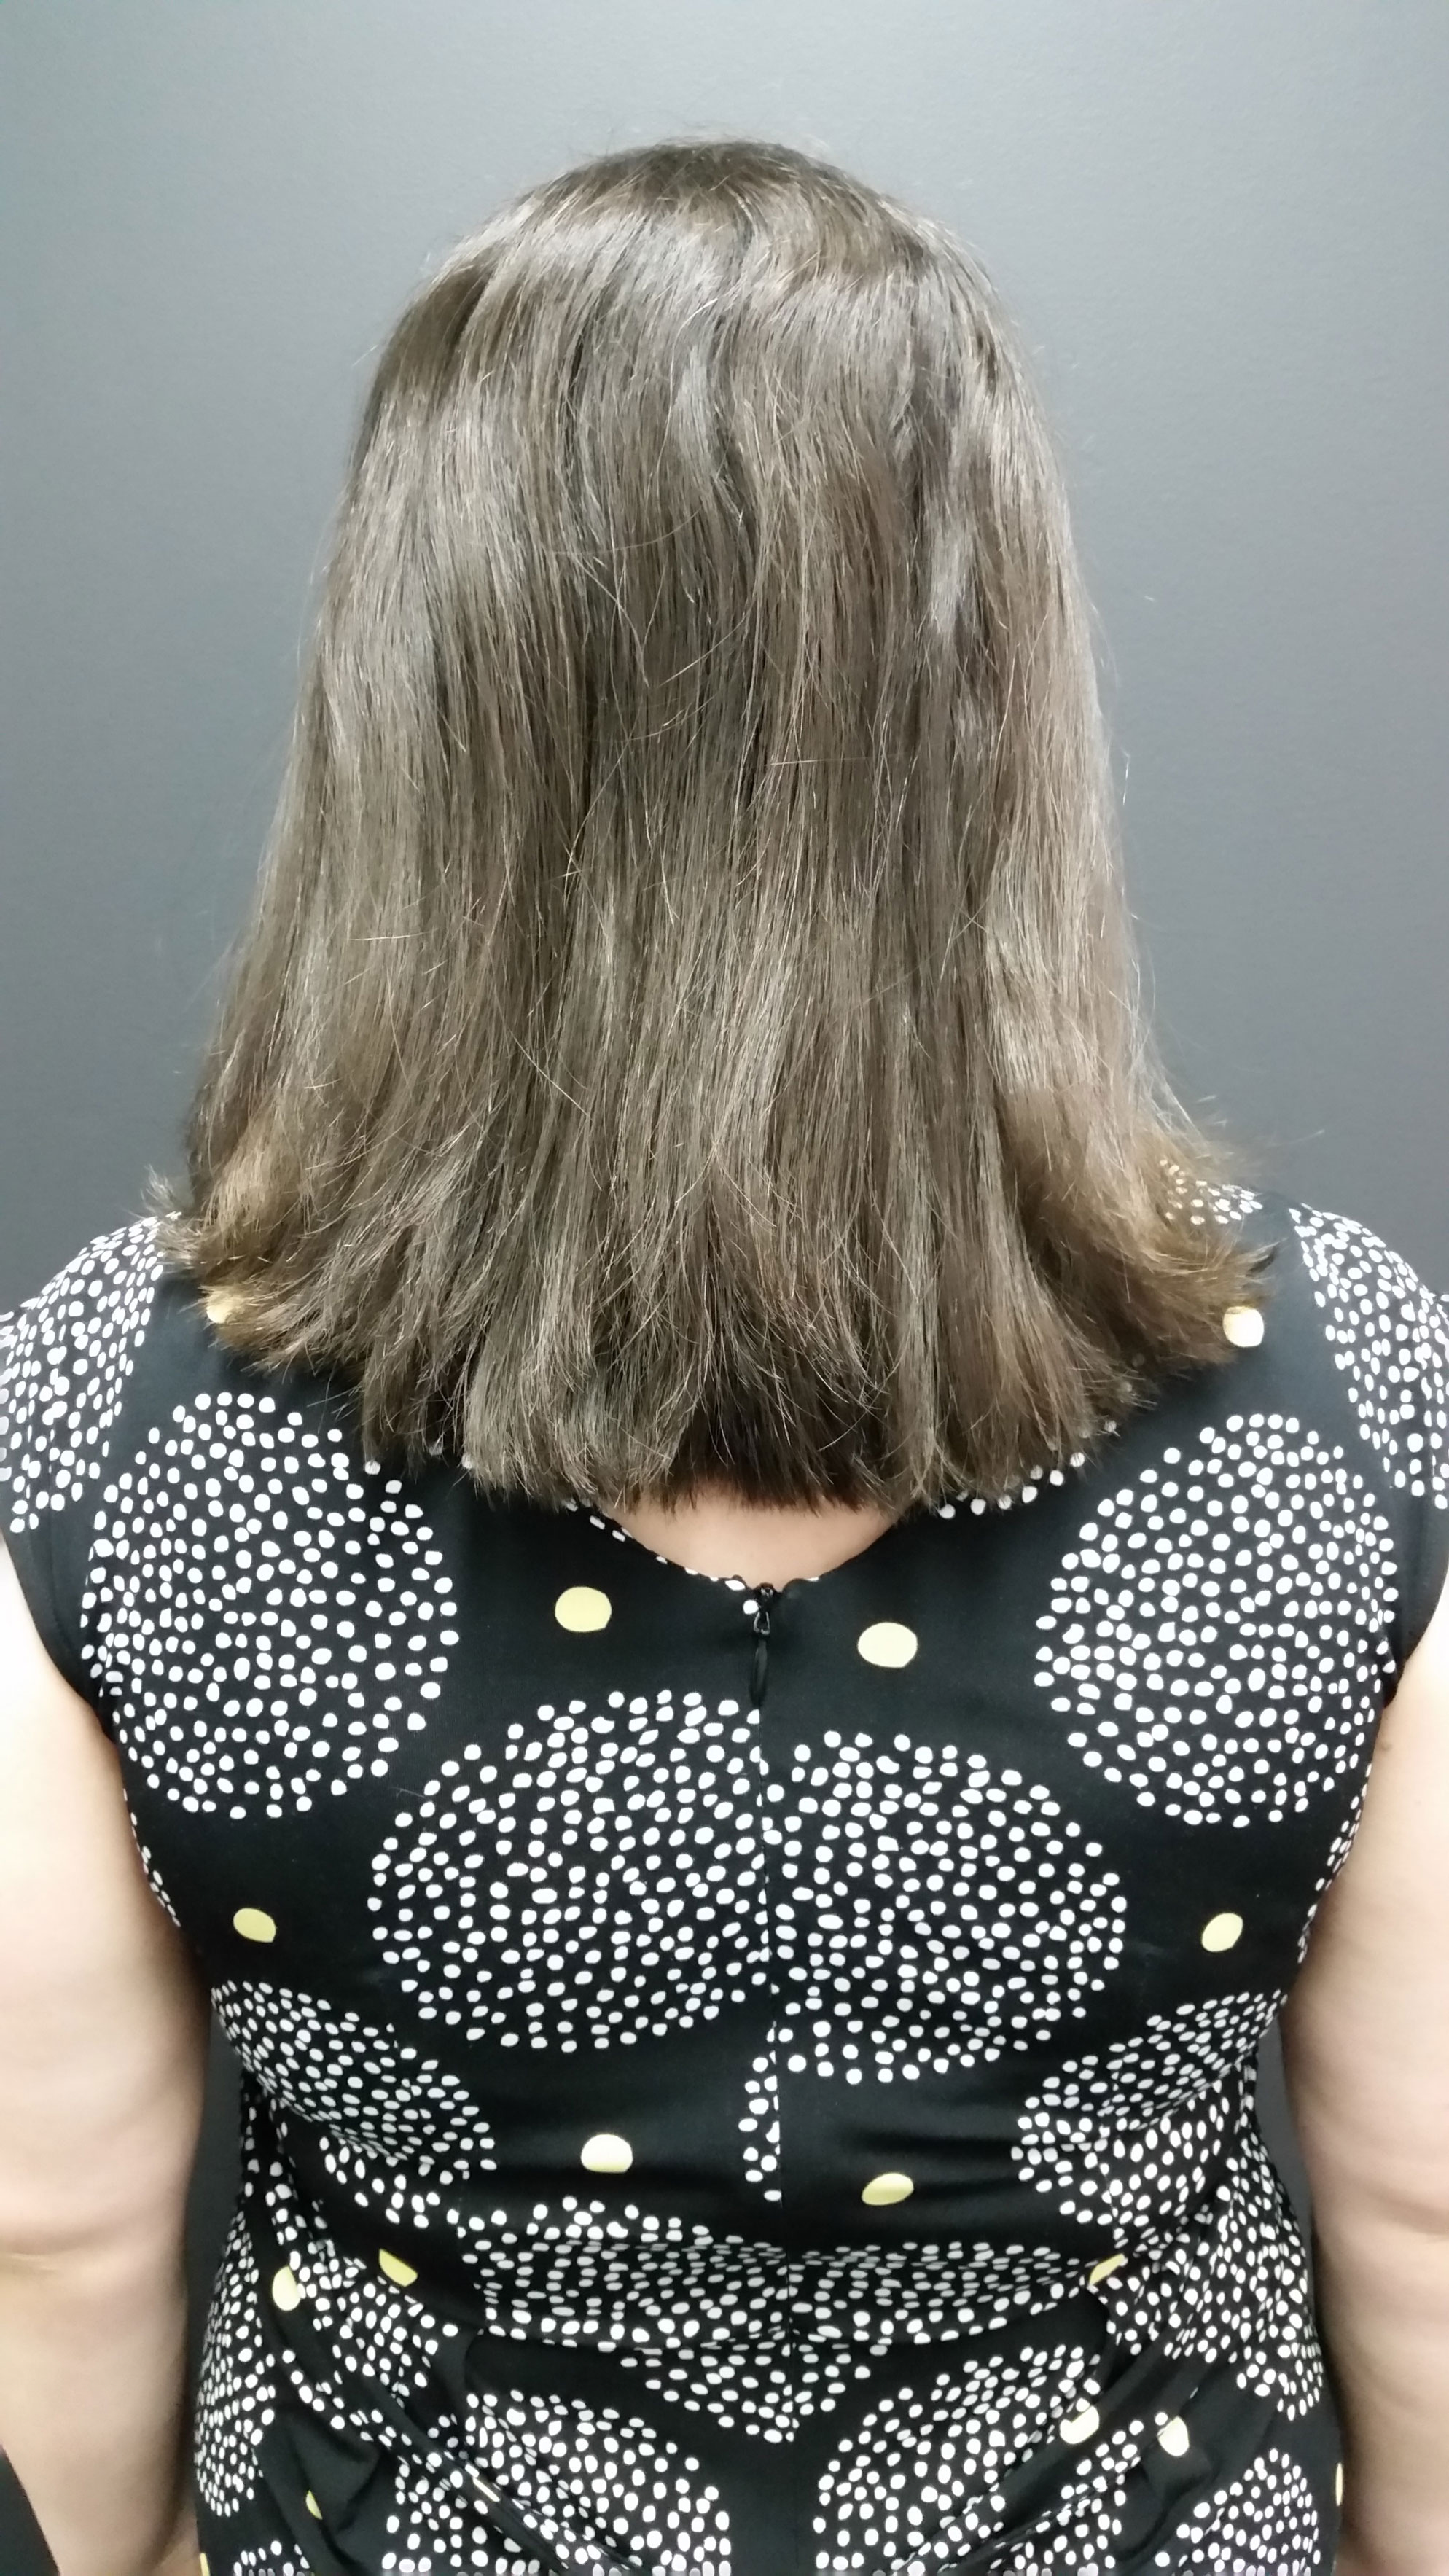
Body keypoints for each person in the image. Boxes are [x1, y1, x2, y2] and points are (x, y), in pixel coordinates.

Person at [1, 133, 1445, 2576]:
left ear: (420, 686)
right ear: (992, 692)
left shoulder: (106, 1414)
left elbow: (52, 2223)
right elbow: (1423, 2195)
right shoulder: (1342, 1388)